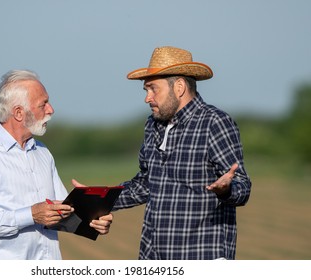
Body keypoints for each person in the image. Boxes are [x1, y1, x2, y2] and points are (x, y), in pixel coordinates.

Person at [74, 46, 251, 260]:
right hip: (153, 256)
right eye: (146, 90)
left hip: (201, 257)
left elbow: (242, 187)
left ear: (179, 87)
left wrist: (226, 190)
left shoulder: (214, 122)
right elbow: (145, 184)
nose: (147, 98)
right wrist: (95, 198)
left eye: (153, 89)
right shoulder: (153, 125)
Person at [0, 69, 112, 260]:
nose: (51, 110)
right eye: (43, 104)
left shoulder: (43, 152)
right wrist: (29, 215)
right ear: (19, 113)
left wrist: (92, 217)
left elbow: (61, 211)